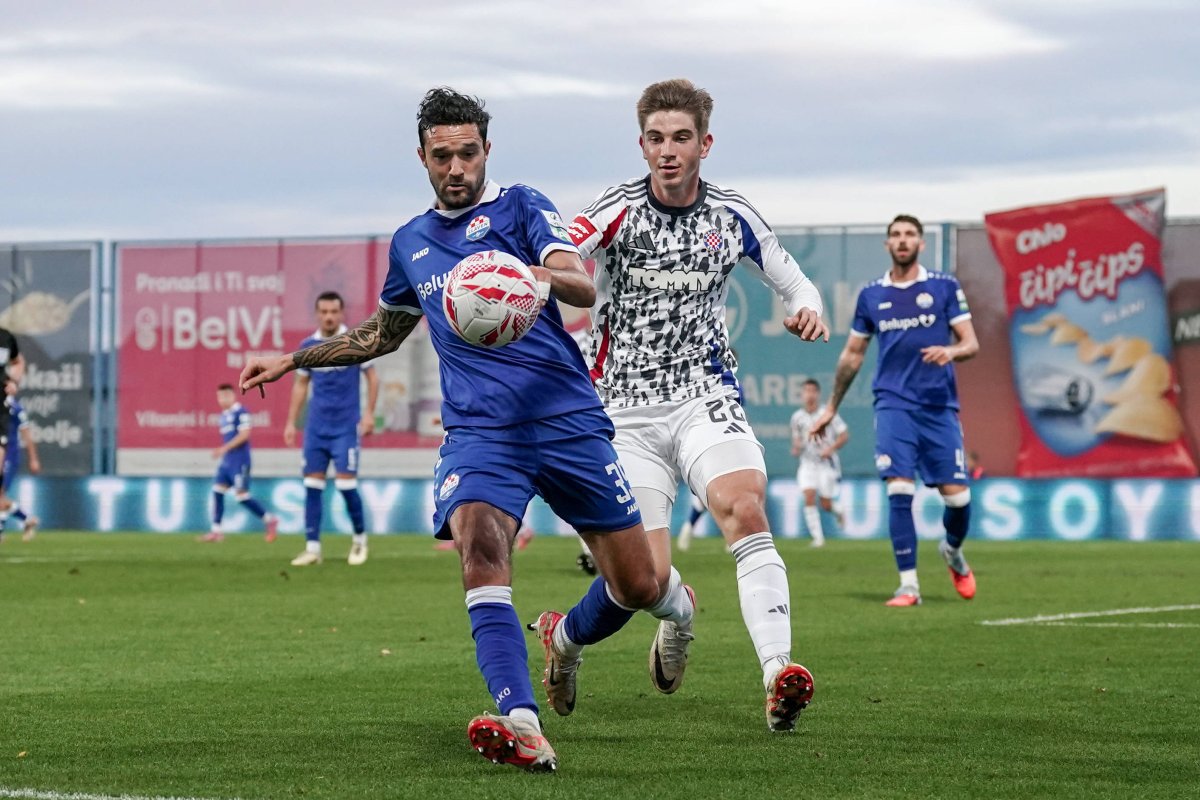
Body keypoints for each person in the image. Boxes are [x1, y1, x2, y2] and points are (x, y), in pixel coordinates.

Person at [239, 87, 694, 773]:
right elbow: (381, 333)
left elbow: (580, 283)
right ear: (422, 157)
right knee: (478, 545)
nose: (457, 167)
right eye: (443, 155)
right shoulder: (410, 243)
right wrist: (294, 356)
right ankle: (521, 722)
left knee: (635, 586)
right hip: (482, 433)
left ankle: (650, 616)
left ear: (487, 150)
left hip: (567, 419)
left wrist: (539, 277)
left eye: (469, 153)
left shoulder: (521, 206)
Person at [559, 78, 827, 732]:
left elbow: (793, 280)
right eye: (656, 139)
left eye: (681, 138)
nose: (668, 150)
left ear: (705, 143)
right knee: (640, 583)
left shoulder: (731, 214)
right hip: (623, 413)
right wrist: (545, 277)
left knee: (744, 506)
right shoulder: (618, 207)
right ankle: (571, 641)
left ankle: (778, 675)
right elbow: (567, 252)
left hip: (705, 395)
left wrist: (807, 309)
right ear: (642, 144)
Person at [811, 214, 979, 607]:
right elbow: (853, 355)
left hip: (939, 407)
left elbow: (970, 343)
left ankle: (952, 552)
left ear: (921, 244)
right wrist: (831, 408)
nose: (903, 241)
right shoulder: (872, 295)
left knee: (957, 501)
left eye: (910, 235)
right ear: (888, 245)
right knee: (899, 489)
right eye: (896, 235)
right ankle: (909, 586)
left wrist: (950, 351)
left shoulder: (942, 287)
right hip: (893, 405)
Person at [284, 292, 379, 566]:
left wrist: (369, 414)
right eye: (323, 311)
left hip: (345, 428)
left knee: (346, 485)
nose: (328, 316)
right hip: (316, 428)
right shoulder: (308, 346)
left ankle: (360, 541)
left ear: (341, 313)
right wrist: (291, 421)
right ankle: (312, 548)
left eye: (333, 311)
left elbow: (372, 379)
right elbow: (301, 385)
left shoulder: (355, 342)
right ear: (317, 314)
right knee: (312, 485)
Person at [201, 384, 279, 543]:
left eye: (225, 396)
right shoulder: (223, 415)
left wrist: (224, 448)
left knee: (241, 496)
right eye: (219, 396)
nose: (222, 400)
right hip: (227, 461)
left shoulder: (241, 412)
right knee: (217, 490)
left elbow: (245, 435)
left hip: (240, 461)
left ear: (232, 396)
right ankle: (216, 532)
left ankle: (269, 519)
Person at [789, 378, 848, 547]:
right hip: (807, 463)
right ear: (802, 394)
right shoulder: (797, 418)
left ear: (818, 394)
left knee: (825, 504)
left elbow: (844, 435)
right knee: (808, 496)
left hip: (826, 464)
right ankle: (818, 539)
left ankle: (838, 510)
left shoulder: (827, 414)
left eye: (813, 391)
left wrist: (831, 449)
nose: (809, 395)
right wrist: (796, 448)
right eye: (806, 391)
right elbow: (797, 441)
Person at [0, 389, 40, 541]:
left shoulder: (15, 408)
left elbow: (26, 434)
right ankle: (28, 519)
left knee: (0, 494)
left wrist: (33, 458)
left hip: (9, 455)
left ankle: (1, 531)